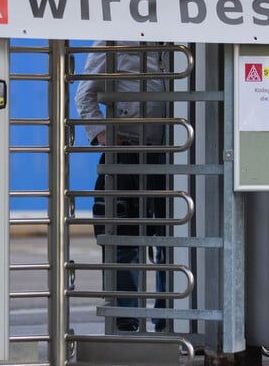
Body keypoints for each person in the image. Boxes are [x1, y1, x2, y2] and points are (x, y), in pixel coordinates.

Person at [75, 40, 169, 333]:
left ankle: (169, 314)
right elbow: (85, 95)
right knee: (123, 237)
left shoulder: (177, 39)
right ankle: (126, 318)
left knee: (169, 238)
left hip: (172, 151)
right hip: (125, 151)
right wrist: (105, 136)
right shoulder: (112, 39)